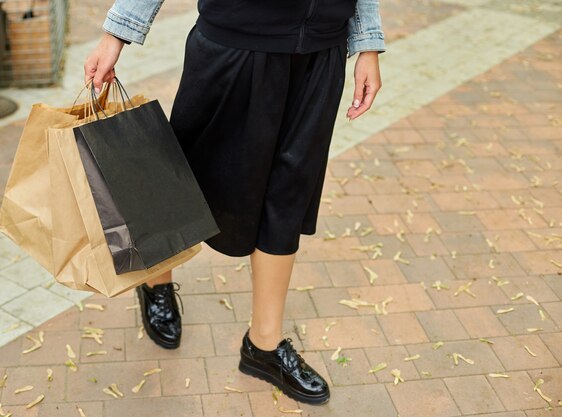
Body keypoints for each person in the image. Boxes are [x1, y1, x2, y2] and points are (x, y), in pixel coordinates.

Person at [85, 0, 385, 405]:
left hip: (320, 55)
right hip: (233, 45)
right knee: (181, 179)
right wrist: (117, 32)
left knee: (289, 193)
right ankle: (156, 283)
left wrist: (367, 44)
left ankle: (263, 343)